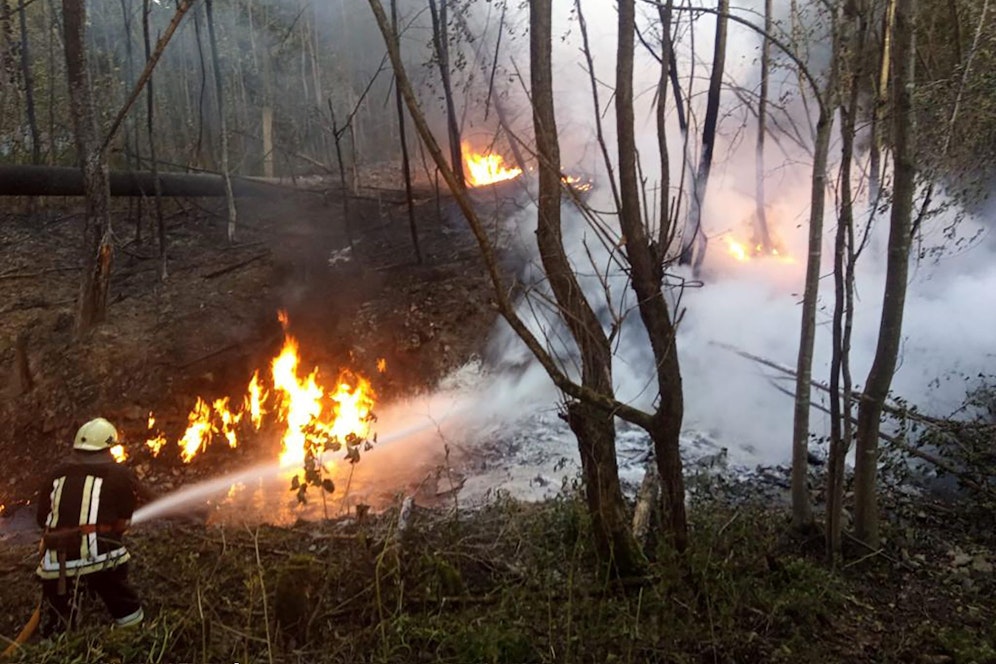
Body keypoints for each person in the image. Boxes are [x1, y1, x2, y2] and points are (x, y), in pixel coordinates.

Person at [34, 417, 153, 635]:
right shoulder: (118, 473)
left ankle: (58, 646)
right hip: (101, 556)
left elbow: (42, 518)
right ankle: (133, 637)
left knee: (58, 617)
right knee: (124, 604)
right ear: (109, 447)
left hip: (56, 562)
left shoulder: (55, 474)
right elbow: (125, 516)